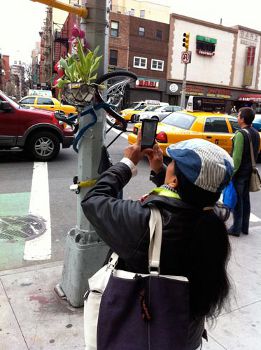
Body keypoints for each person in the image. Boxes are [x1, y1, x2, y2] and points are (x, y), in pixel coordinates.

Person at [81, 136, 233, 350]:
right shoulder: (213, 218)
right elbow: (187, 200)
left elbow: (93, 201)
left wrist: (127, 164)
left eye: (172, 164)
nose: (169, 165)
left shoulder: (146, 224)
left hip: (143, 334)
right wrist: (160, 170)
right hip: (185, 335)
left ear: (175, 181)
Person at [228, 107, 260, 237]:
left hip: (240, 174)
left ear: (242, 119)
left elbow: (236, 159)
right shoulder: (255, 132)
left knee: (237, 202)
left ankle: (236, 229)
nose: (237, 118)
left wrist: (231, 174)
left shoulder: (241, 134)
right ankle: (244, 227)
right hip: (249, 172)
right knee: (245, 200)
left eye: (238, 116)